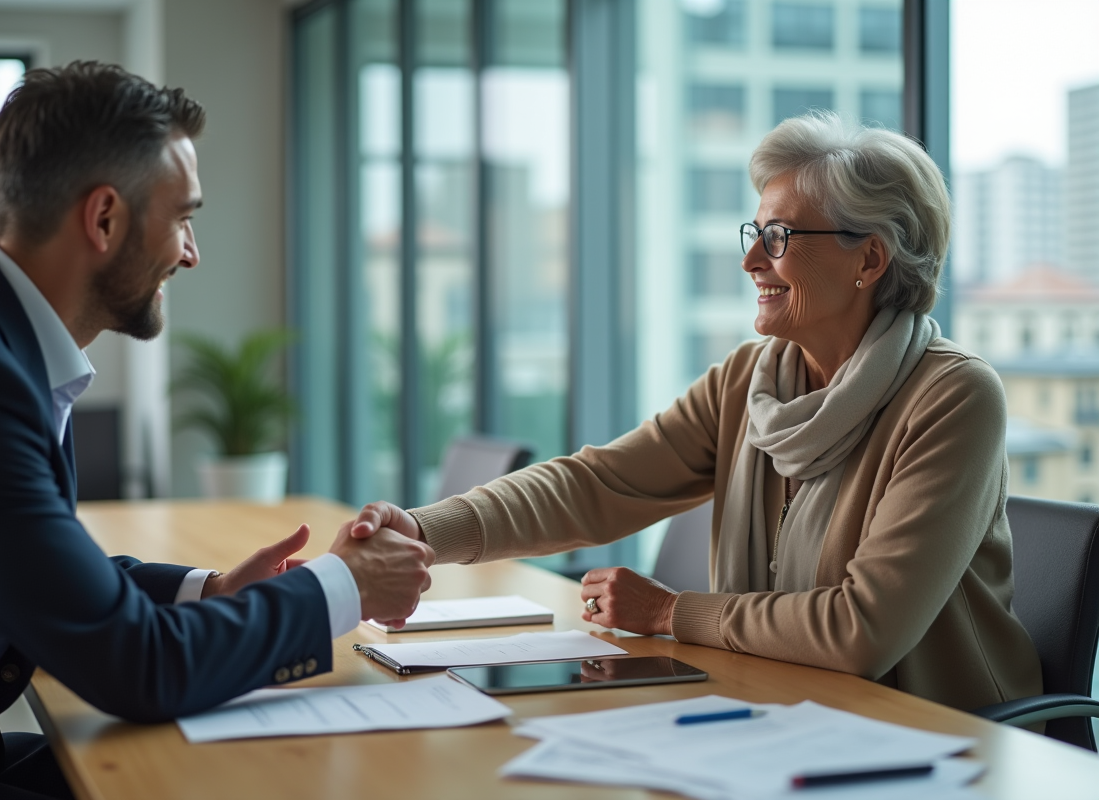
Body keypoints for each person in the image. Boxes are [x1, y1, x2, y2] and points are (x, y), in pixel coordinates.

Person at [346, 112, 1043, 712]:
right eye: (756, 231)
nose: (750, 262)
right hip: (783, 706)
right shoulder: (750, 381)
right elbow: (596, 485)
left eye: (779, 238)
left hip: (936, 736)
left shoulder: (952, 397)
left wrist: (671, 613)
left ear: (868, 258)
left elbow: (861, 629)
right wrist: (420, 532)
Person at [0, 62, 434, 800]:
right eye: (183, 218)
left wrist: (206, 592)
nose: (190, 252)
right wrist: (344, 586)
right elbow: (137, 667)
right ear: (105, 219)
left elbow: (39, 570)